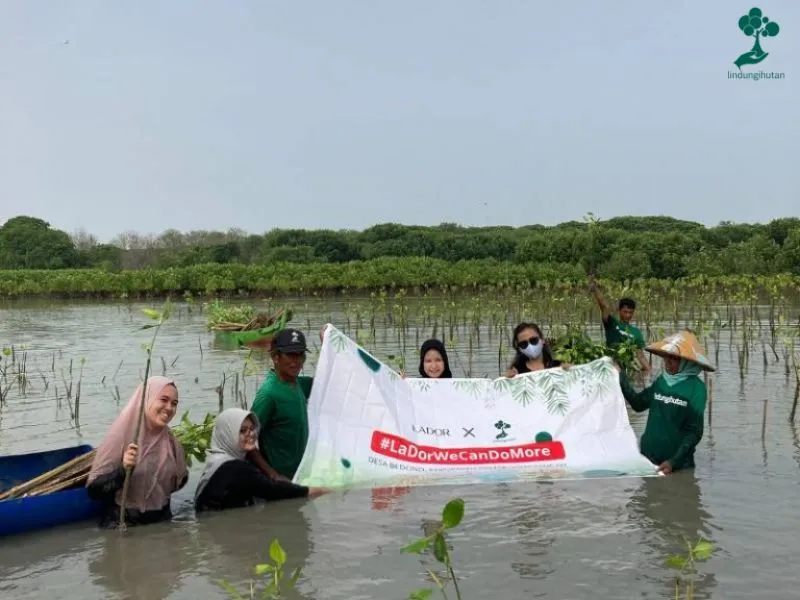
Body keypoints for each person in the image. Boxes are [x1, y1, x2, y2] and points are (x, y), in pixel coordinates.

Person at [86, 376, 188, 528]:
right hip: (125, 524)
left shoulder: (171, 441)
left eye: (174, 404)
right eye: (163, 400)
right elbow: (94, 491)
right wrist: (123, 469)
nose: (169, 408)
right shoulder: (122, 435)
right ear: (147, 399)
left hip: (162, 523)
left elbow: (179, 482)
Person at [615, 329, 714, 475]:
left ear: (687, 362)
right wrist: (620, 377)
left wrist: (673, 462)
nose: (668, 362)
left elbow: (694, 432)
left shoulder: (696, 389)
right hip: (648, 460)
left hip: (676, 467)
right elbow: (637, 404)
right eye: (666, 357)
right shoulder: (662, 381)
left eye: (674, 358)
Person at [194, 408, 327, 512]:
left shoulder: (216, 461)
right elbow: (275, 490)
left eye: (252, 429)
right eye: (242, 431)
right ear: (227, 434)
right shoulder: (235, 469)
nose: (251, 434)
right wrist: (320, 491)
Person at [249, 327, 321, 481]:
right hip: (281, 482)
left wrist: (327, 344)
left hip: (300, 476)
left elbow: (329, 382)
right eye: (290, 355)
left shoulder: (297, 383)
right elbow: (247, 441)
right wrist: (272, 475)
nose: (297, 361)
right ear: (275, 357)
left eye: (300, 354)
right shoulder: (269, 394)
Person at [588, 275, 650, 373]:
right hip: (611, 367)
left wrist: (649, 372)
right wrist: (595, 289)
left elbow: (641, 356)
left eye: (630, 312)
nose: (628, 315)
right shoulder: (612, 323)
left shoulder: (636, 332)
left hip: (627, 369)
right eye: (625, 312)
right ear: (619, 311)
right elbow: (603, 305)